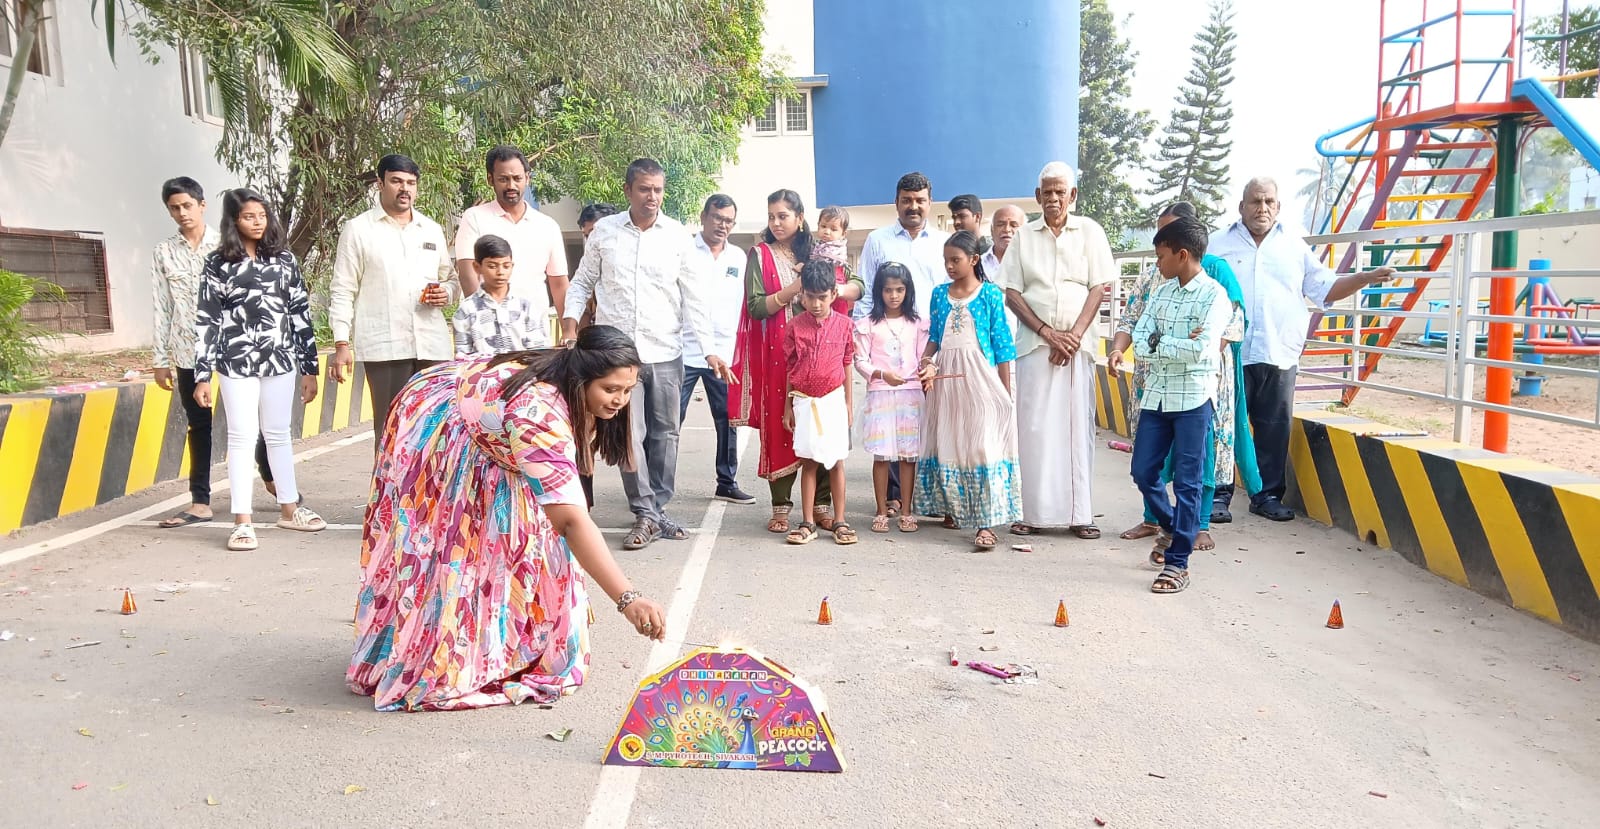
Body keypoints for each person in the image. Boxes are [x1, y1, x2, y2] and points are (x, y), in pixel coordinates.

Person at [347, 325, 669, 711]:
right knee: (460, 554)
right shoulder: (538, 414)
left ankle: (510, 645)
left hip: (496, 431)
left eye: (627, 389)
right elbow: (569, 521)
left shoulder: (573, 373)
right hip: (442, 426)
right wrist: (627, 599)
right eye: (610, 389)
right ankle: (441, 648)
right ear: (581, 378)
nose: (619, 400)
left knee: (533, 534)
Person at [560, 158, 728, 551]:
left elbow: (693, 298)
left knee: (666, 433)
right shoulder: (604, 232)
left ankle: (657, 508)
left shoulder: (677, 237)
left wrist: (709, 350)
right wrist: (569, 326)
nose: (652, 197)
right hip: (617, 355)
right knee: (628, 435)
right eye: (644, 189)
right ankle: (645, 511)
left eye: (657, 190)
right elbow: (583, 281)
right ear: (628, 191)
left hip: (666, 351)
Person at [1208, 178, 1395, 522]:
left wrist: (1364, 278)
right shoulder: (1217, 244)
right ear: (1242, 207)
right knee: (1223, 425)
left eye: (1268, 201)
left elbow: (1324, 287)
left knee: (1274, 427)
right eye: (1254, 201)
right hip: (1229, 351)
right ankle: (1218, 495)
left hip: (1279, 349)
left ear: (1277, 207)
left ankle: (1265, 496)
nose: (1261, 208)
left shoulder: (1295, 247)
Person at [1109, 202, 1261, 556]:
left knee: (1196, 466)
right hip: (1156, 385)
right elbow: (1136, 325)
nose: (1158, 247)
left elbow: (1218, 338)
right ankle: (1164, 521)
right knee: (1148, 465)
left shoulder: (1216, 279)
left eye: (1167, 236)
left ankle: (1189, 538)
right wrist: (1158, 345)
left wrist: (1169, 344)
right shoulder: (1157, 281)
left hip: (1199, 386)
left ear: (1185, 243)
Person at [151, 177, 294, 528]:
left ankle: (275, 483)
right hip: (189, 348)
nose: (182, 213)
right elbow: (161, 306)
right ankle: (201, 500)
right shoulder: (164, 252)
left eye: (188, 205)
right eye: (175, 207)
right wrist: (159, 359)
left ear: (202, 205)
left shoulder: (230, 244)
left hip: (239, 348)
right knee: (199, 426)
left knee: (260, 426)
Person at [193, 189, 326, 551]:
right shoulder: (218, 263)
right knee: (241, 436)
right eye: (249, 216)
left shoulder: (283, 260)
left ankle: (289, 509)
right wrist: (202, 374)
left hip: (280, 360)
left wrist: (309, 367)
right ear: (233, 220)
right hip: (235, 361)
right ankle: (242, 521)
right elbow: (207, 319)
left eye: (262, 216)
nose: (257, 222)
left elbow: (299, 314)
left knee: (278, 433)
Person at [730, 189, 864, 536]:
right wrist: (795, 288)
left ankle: (822, 506)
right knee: (784, 425)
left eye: (783, 216)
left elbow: (857, 282)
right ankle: (782, 506)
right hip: (779, 352)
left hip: (823, 348)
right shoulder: (759, 255)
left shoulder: (819, 247)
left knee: (823, 426)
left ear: (800, 218)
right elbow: (757, 307)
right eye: (771, 216)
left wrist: (839, 291)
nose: (776, 223)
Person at [1003, 161, 1116, 540]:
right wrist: (1049, 333)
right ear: (1037, 197)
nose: (1053, 198)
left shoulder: (1090, 231)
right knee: (1034, 428)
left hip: (1077, 346)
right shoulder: (1023, 237)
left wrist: (1073, 336)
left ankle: (1079, 514)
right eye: (1046, 192)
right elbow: (1012, 292)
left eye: (1060, 191)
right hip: (1036, 344)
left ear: (1073, 195)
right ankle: (1033, 514)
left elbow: (1099, 287)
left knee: (1075, 427)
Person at [1129, 218, 1235, 594]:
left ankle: (1178, 564)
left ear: (1182, 254)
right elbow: (1140, 342)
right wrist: (1169, 342)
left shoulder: (1215, 297)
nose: (1158, 264)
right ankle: (1175, 526)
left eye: (1161, 256)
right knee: (1143, 471)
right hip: (1157, 396)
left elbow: (1203, 350)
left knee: (1188, 482)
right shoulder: (1161, 293)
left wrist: (1161, 342)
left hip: (1193, 399)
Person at [328, 154, 458, 446]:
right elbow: (342, 288)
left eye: (411, 183)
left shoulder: (431, 229)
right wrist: (340, 343)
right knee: (391, 432)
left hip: (432, 345)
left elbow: (451, 279)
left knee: (436, 431)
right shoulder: (359, 230)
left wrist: (446, 293)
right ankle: (389, 492)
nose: (405, 189)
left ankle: (430, 493)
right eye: (396, 181)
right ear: (380, 183)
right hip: (385, 346)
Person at [915, 231, 1020, 551]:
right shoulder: (938, 294)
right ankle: (955, 509)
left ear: (974, 260)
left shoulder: (989, 294)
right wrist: (926, 359)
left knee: (982, 447)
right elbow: (935, 335)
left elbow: (1002, 345)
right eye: (946, 260)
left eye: (955, 260)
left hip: (981, 378)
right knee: (950, 442)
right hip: (947, 378)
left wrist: (1005, 390)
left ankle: (986, 524)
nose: (949, 266)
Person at [853, 172, 950, 516]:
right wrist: (860, 338)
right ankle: (893, 500)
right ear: (896, 202)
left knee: (925, 425)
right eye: (907, 200)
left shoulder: (941, 243)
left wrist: (940, 348)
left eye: (920, 200)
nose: (913, 206)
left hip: (929, 346)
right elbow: (865, 291)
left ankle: (929, 498)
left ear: (929, 202)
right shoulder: (878, 240)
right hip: (884, 345)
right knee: (890, 424)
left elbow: (948, 294)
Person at [678, 194, 755, 505]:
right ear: (703, 216)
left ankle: (727, 481)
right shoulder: (683, 250)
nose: (722, 225)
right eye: (717, 217)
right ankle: (658, 485)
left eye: (728, 220)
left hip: (723, 354)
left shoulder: (739, 257)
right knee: (670, 421)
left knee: (727, 419)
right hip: (683, 350)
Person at [453, 145, 569, 344]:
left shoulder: (547, 225)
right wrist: (483, 321)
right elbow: (467, 274)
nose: (511, 186)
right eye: (503, 179)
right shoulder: (474, 218)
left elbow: (559, 284)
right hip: (488, 336)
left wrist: (568, 331)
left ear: (527, 178)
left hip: (534, 335)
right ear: (490, 179)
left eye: (517, 178)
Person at [782, 261, 856, 546]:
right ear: (802, 295)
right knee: (809, 462)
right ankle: (808, 522)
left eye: (822, 297)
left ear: (833, 294)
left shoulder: (845, 326)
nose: (815, 303)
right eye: (810, 296)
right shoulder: (794, 327)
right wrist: (788, 406)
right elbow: (790, 367)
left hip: (833, 400)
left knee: (836, 461)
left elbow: (847, 363)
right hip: (804, 401)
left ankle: (840, 520)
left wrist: (849, 403)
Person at [854, 262, 928, 534]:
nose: (894, 295)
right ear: (878, 292)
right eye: (888, 290)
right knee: (882, 456)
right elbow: (860, 360)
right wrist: (882, 374)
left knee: (909, 456)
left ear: (907, 291)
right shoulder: (868, 325)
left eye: (899, 290)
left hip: (910, 395)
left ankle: (907, 511)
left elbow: (924, 358)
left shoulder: (918, 324)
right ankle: (881, 510)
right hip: (881, 395)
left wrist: (926, 370)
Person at [573, 202, 618, 509]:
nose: (592, 239)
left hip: (612, 356)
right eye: (587, 234)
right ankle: (582, 499)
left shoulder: (617, 266)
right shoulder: (585, 271)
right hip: (584, 355)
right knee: (582, 428)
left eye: (597, 233)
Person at [452, 235, 545, 357]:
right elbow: (462, 356)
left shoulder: (526, 306)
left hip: (522, 373)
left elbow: (539, 350)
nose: (500, 272)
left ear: (512, 266)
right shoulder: (466, 310)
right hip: (482, 373)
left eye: (506, 266)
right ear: (477, 267)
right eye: (492, 266)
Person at [980, 204, 1026, 338]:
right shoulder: (975, 266)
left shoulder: (1033, 267)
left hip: (1022, 345)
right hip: (982, 346)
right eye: (1000, 224)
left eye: (1014, 225)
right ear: (991, 230)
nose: (1007, 229)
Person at [811, 206, 851, 272]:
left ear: (843, 234)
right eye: (823, 226)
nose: (827, 232)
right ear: (818, 225)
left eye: (833, 229)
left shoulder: (836, 248)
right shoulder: (817, 245)